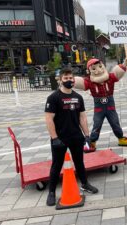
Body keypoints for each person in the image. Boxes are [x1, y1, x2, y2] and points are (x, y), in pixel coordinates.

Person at [45, 68, 98, 206]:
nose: (69, 80)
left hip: (76, 136)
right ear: (60, 80)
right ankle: (51, 192)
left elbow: (82, 117)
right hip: (60, 138)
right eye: (66, 78)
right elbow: (49, 119)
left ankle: (85, 184)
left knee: (79, 162)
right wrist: (54, 138)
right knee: (56, 165)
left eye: (71, 78)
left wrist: (87, 135)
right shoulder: (53, 98)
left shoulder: (78, 97)